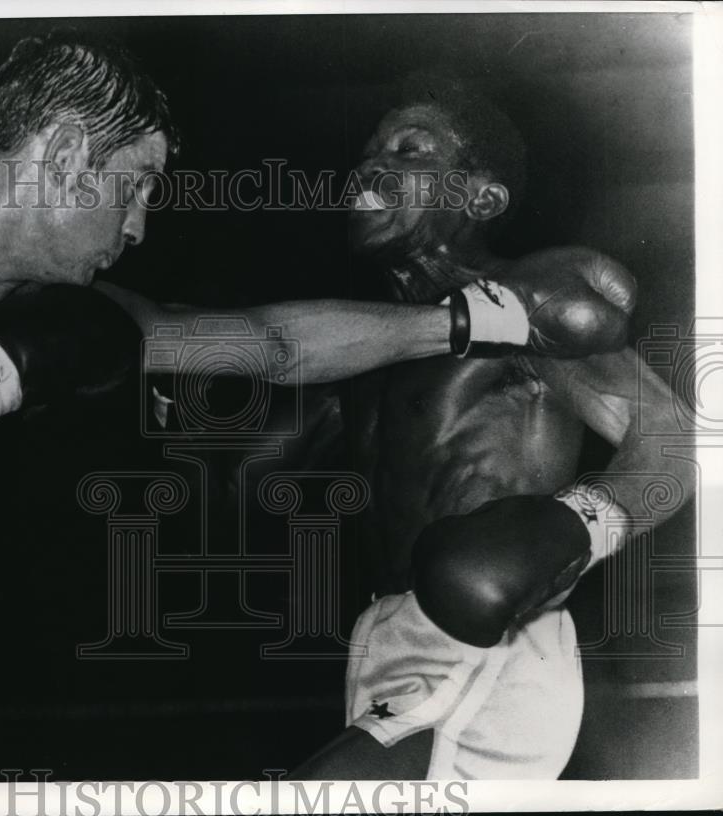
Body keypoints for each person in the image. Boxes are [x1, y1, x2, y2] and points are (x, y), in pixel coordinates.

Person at [0, 31, 632, 781]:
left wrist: (478, 317)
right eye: (132, 188)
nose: (136, 229)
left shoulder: (29, 314)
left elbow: (268, 344)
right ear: (60, 156)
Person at [287, 73, 694, 779]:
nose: (367, 167)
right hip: (389, 642)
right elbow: (247, 469)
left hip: (489, 641)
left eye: (410, 148)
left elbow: (676, 436)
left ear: (481, 196)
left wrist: (583, 522)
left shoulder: (528, 308)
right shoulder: (370, 346)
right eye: (366, 151)